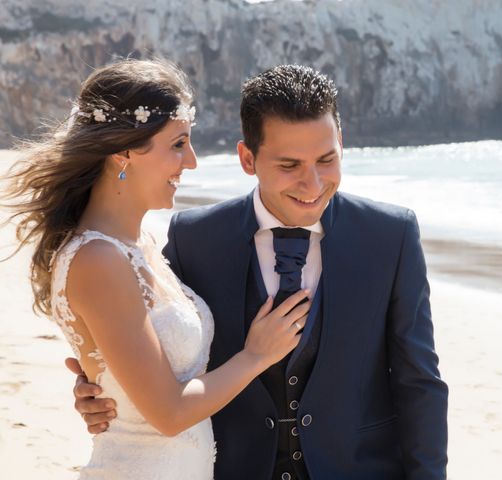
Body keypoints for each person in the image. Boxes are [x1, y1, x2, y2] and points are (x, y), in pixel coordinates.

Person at [71, 64, 448, 479]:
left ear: (341, 142)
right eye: (290, 166)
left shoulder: (390, 236)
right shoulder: (194, 238)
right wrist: (107, 392)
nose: (313, 183)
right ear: (247, 159)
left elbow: (419, 383)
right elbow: (153, 342)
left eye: (327, 159)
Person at [2, 59, 311, 479]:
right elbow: (168, 412)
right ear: (125, 151)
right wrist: (256, 356)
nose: (192, 162)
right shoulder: (97, 259)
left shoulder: (141, 245)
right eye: (179, 144)